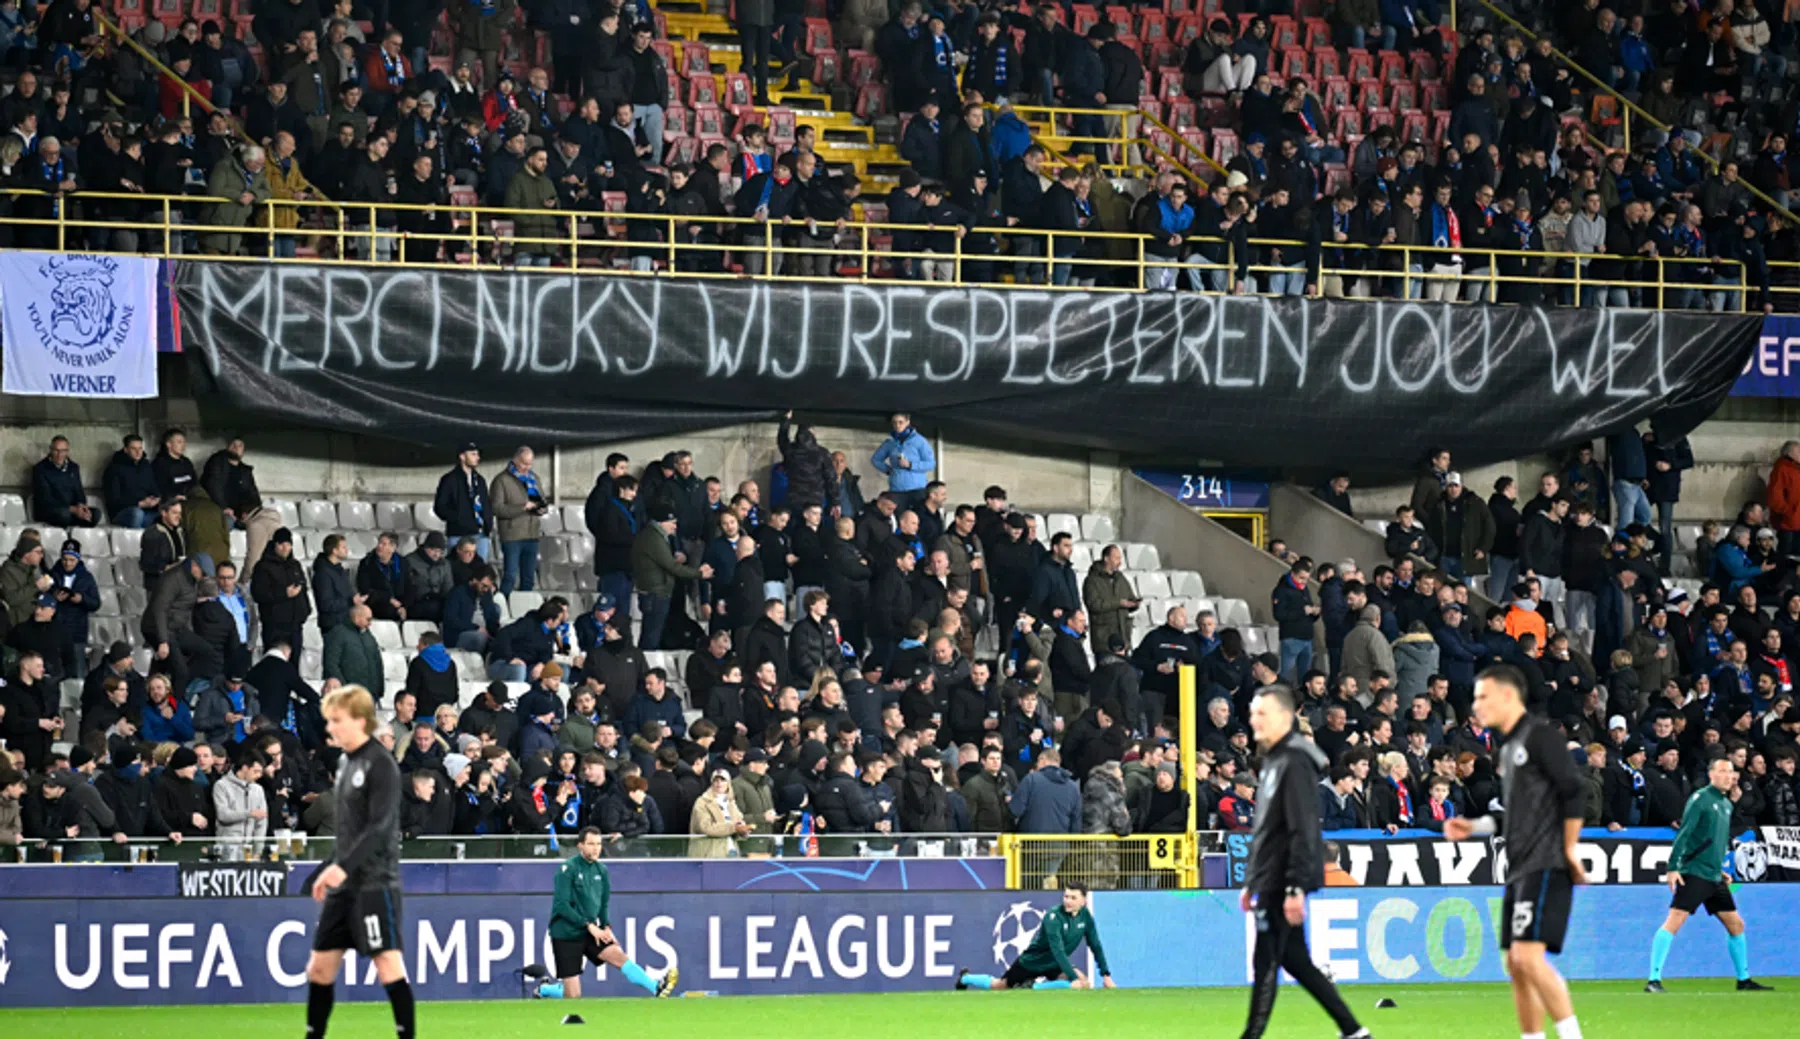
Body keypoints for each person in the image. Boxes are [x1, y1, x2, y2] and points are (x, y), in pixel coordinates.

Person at [1444, 667, 1588, 1039]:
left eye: (1482, 697)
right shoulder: (1506, 747)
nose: (1476, 705)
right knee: (1516, 964)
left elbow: (1574, 790)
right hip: (1520, 864)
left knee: (1527, 957)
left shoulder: (1540, 737)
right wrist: (1474, 827)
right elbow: (1516, 815)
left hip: (1547, 861)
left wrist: (1570, 848)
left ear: (1508, 696)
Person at [1237, 684, 1369, 1039]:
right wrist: (1252, 880)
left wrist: (1294, 886)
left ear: (1283, 717)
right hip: (1271, 877)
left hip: (1283, 878)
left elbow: (1301, 828)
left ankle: (1251, 1036)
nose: (1254, 720)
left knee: (1265, 961)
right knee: (1295, 959)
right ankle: (1354, 1031)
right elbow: (1269, 829)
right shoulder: (1276, 761)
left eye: (1261, 714)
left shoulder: (1292, 763)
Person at [304, 685, 414, 1039]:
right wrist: (328, 867)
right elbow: (349, 832)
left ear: (361, 721)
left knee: (388, 966)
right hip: (345, 882)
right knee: (319, 968)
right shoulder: (345, 761)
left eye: (337, 720)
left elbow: (379, 828)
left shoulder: (382, 764)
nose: (330, 728)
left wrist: (342, 866)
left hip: (374, 882)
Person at [1645, 756, 1773, 993]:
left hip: (1713, 875)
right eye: (1723, 771)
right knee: (1674, 921)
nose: (1729, 776)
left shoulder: (1725, 803)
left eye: (1732, 772)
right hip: (1694, 872)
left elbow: (1714, 841)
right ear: (1711, 775)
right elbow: (1685, 833)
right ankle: (1653, 979)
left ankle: (1743, 980)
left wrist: (1721, 869)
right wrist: (1673, 867)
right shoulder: (1701, 799)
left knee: (1736, 925)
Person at [543, 826, 679, 1000]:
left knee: (618, 956)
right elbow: (561, 906)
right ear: (580, 846)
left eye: (598, 844)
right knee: (574, 996)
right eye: (591, 844)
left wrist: (606, 925)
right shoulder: (567, 869)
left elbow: (603, 903)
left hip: (590, 930)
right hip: (566, 933)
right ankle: (546, 990)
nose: (595, 848)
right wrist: (589, 925)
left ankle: (655, 987)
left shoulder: (602, 870)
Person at [955, 883, 1114, 991]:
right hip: (1033, 962)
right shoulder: (1053, 916)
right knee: (1000, 985)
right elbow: (1058, 950)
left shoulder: (1085, 916)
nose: (1068, 901)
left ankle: (1033, 988)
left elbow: (1095, 945)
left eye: (1073, 898)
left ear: (1084, 901)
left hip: (1055, 964)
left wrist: (1106, 976)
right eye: (1066, 896)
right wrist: (1073, 978)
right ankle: (966, 978)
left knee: (1084, 983)